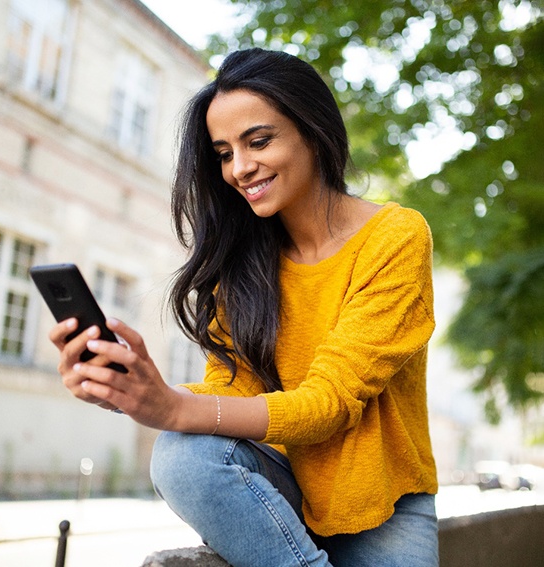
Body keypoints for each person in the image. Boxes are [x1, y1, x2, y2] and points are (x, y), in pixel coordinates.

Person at [49, 48, 439, 566]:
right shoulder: (245, 260)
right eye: (224, 153)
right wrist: (129, 391)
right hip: (283, 497)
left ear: (313, 130)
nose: (240, 168)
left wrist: (171, 405)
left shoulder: (395, 236)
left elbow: (330, 404)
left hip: (382, 506)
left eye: (258, 141)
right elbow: (231, 392)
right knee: (182, 455)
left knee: (180, 426)